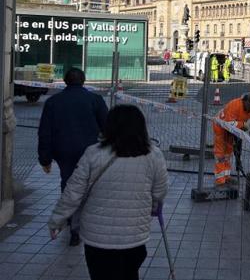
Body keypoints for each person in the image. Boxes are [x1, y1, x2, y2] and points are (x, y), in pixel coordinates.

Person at [48, 105, 168, 280]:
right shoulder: (153, 155)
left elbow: (73, 192)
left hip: (96, 238)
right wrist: (152, 206)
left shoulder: (93, 154)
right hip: (134, 235)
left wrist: (57, 220)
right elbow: (160, 191)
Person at [38, 68, 108, 246]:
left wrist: (44, 159)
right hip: (90, 151)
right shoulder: (94, 99)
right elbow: (107, 126)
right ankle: (85, 220)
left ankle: (72, 224)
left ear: (65, 81)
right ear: (83, 81)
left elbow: (44, 132)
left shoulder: (53, 102)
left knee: (69, 183)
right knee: (89, 184)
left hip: (63, 151)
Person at [213, 92, 250, 187]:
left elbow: (243, 120)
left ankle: (226, 176)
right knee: (220, 153)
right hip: (220, 127)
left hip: (232, 130)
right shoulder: (234, 105)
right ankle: (220, 179)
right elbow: (228, 123)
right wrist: (242, 125)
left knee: (228, 153)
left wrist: (241, 128)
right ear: (247, 102)